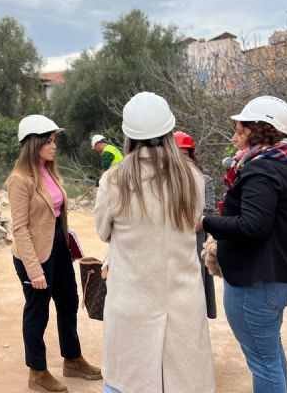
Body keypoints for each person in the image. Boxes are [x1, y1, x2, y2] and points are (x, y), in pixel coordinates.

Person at [94, 92, 215, 393]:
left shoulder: (114, 180)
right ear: (169, 132)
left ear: (128, 135)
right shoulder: (193, 178)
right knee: (184, 381)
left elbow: (102, 231)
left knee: (125, 382)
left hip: (131, 303)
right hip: (183, 303)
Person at [197, 96, 287, 393]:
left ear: (257, 130)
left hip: (256, 282)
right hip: (275, 277)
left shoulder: (261, 171)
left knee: (263, 360)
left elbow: (253, 225)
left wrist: (206, 222)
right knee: (269, 353)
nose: (234, 136)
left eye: (239, 129)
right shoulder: (283, 165)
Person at [7, 114, 102, 393]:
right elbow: (20, 228)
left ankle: (72, 359)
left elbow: (56, 213)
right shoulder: (19, 180)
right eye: (48, 141)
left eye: (54, 141)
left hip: (58, 251)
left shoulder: (49, 171)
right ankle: (37, 372)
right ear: (32, 144)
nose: (54, 146)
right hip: (33, 256)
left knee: (69, 302)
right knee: (37, 313)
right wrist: (34, 269)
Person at [174, 131, 217, 319]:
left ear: (191, 156)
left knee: (195, 285)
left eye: (185, 155)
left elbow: (208, 210)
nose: (182, 160)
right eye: (177, 155)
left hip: (194, 239)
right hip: (170, 242)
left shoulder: (204, 180)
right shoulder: (165, 182)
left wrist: (187, 229)